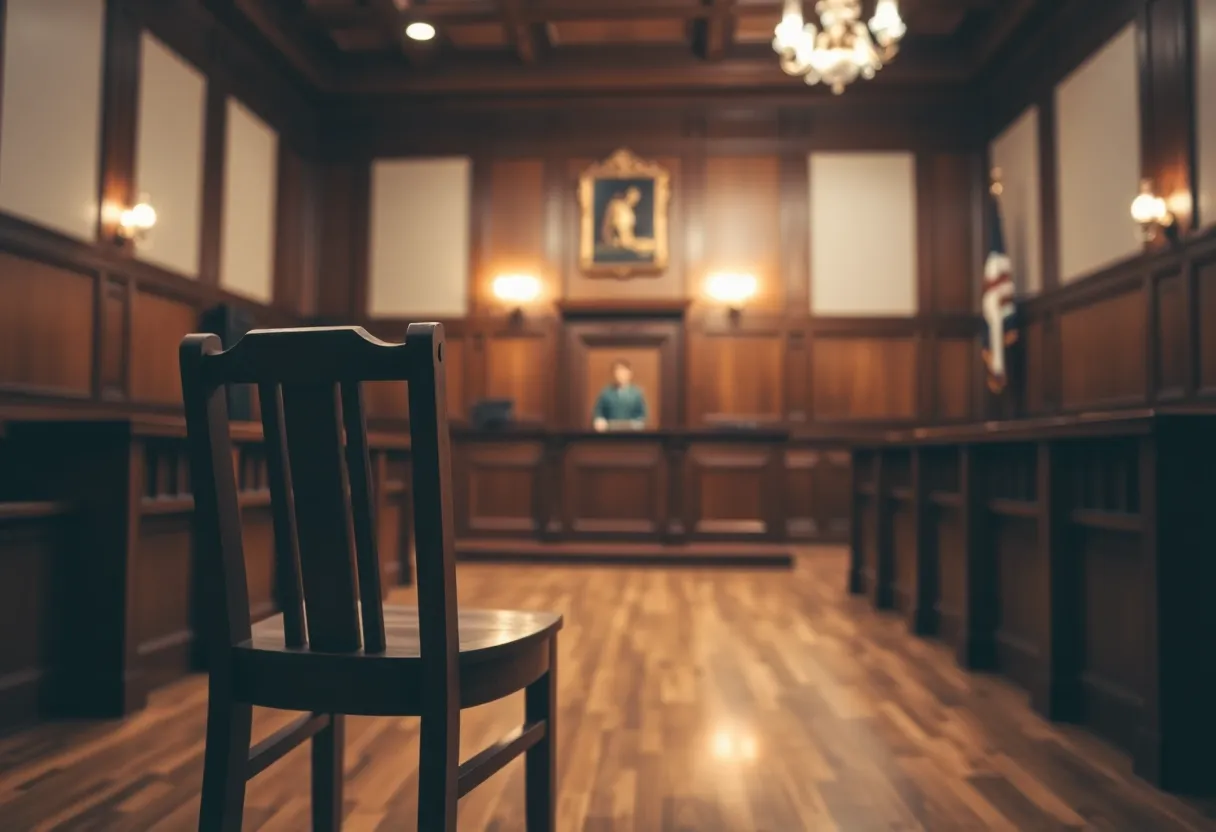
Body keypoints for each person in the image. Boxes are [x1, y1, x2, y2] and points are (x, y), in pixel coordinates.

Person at [592, 360, 647, 431]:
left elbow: (642, 414)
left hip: (631, 433)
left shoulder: (637, 393)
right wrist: (599, 420)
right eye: (617, 372)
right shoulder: (606, 392)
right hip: (610, 431)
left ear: (630, 373)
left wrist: (638, 423)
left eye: (623, 371)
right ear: (614, 374)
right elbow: (598, 411)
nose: (620, 375)